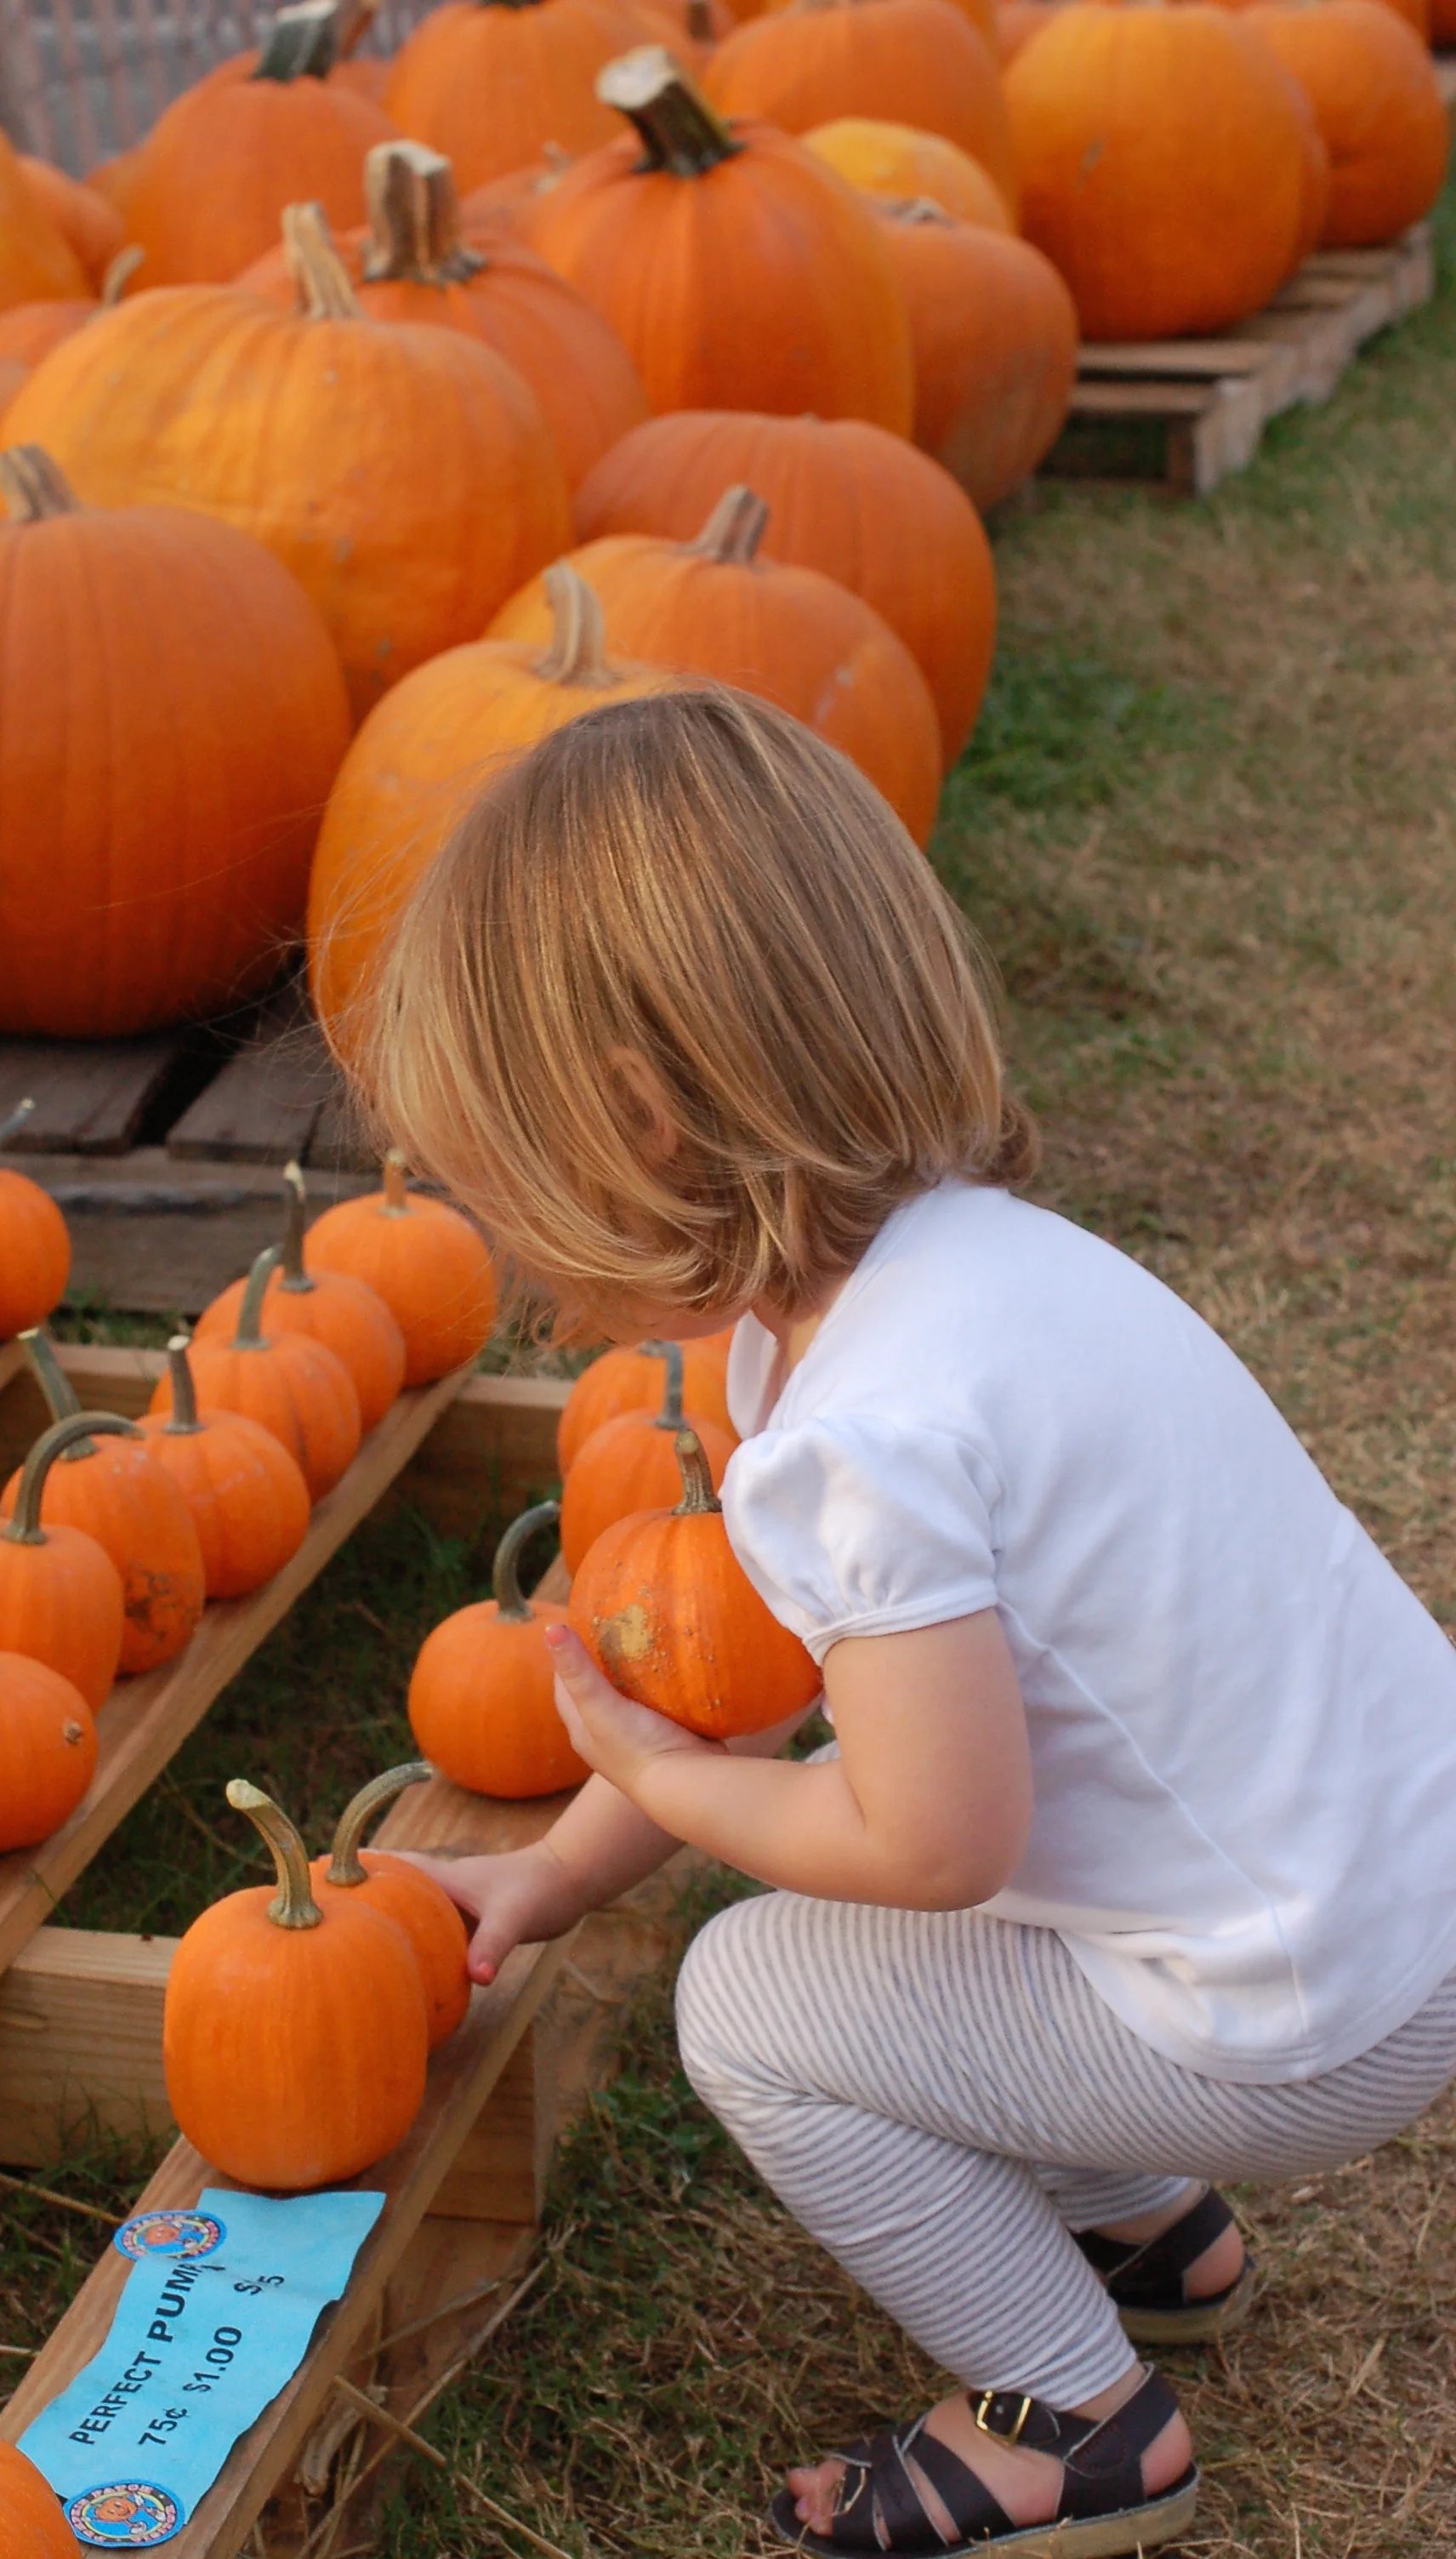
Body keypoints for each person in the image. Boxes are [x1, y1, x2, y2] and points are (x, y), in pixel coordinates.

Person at [353, 687, 1456, 2556]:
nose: (506, 1234)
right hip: (1387, 1888)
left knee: (763, 1996)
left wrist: (665, 1788)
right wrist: (557, 1863)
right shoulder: (977, 1271)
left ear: (636, 1122)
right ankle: (1149, 2223)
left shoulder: (857, 1434)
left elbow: (932, 1843)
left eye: (506, 1174)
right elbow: (781, 1691)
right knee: (960, 1945)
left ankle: (1075, 2415)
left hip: (1302, 2006)